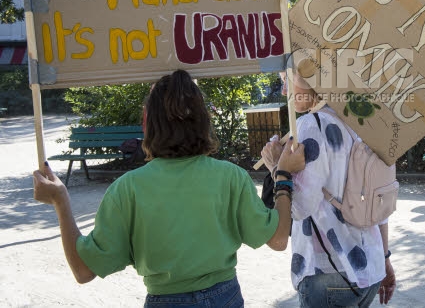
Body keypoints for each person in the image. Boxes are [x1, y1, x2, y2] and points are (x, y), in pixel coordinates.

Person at [32, 69, 306, 307]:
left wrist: (60, 200)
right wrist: (282, 176)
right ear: (203, 120)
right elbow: (278, 239)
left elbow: (82, 271)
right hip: (226, 298)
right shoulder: (230, 177)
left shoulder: (127, 189)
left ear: (149, 123)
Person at [261, 64, 397, 307]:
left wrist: (275, 166)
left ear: (312, 80)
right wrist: (385, 259)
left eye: (286, 80)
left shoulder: (311, 125)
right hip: (371, 266)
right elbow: (378, 199)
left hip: (330, 270)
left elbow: (299, 208)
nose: (283, 91)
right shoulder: (362, 120)